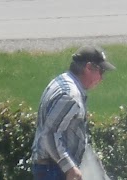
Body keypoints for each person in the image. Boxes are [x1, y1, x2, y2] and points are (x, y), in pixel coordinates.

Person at [32, 44, 115, 180]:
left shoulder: (61, 81)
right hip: (54, 170)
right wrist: (70, 168)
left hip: (50, 168)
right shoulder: (71, 95)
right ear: (88, 68)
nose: (102, 78)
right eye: (101, 72)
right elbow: (50, 134)